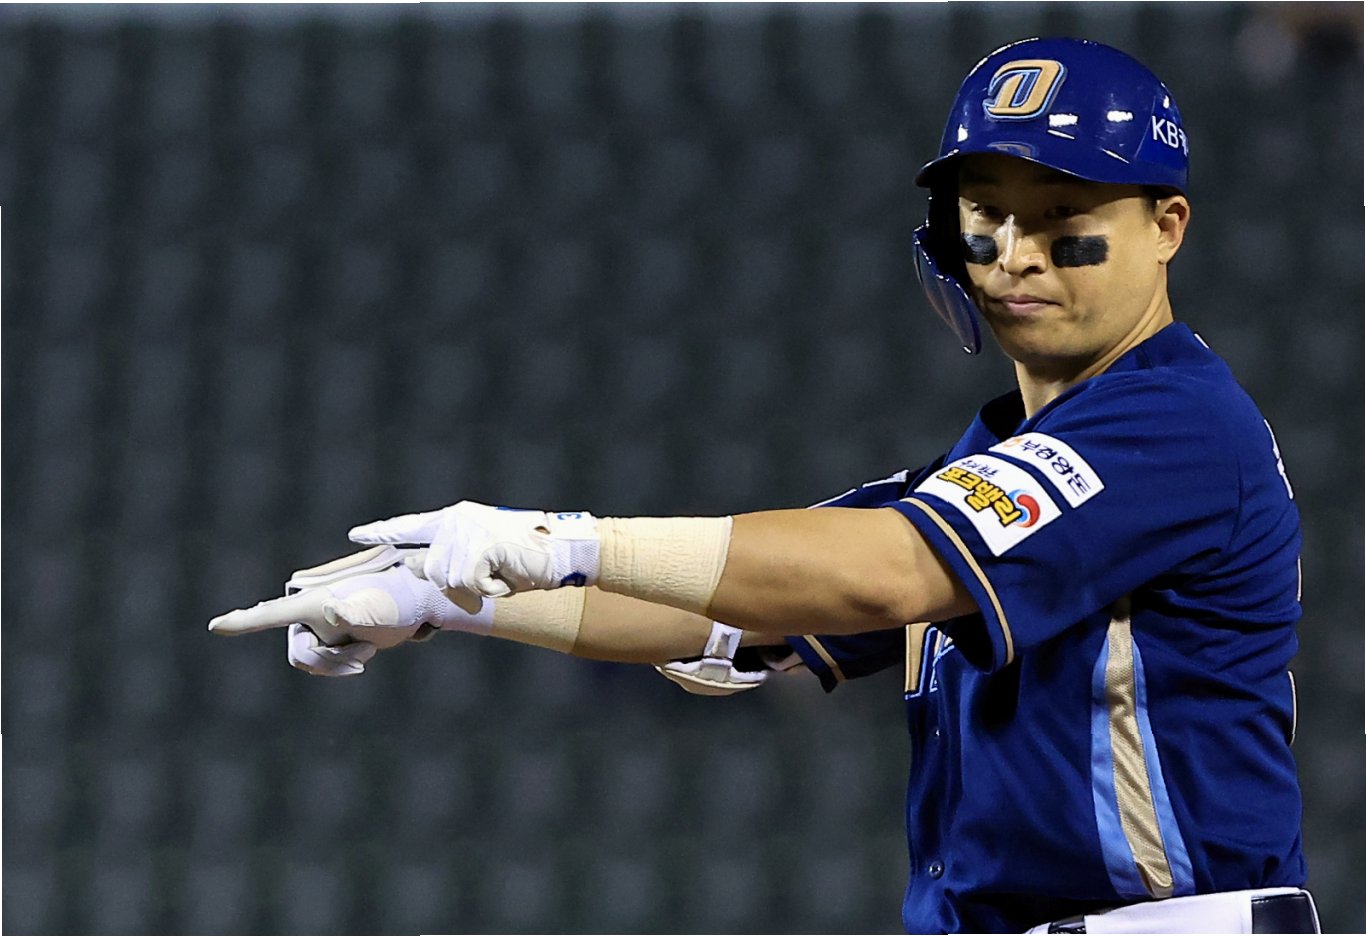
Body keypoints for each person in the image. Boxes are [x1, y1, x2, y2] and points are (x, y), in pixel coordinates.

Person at [210, 37, 1320, 934]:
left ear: (1165, 227)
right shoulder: (981, 470)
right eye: (988, 215)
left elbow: (886, 572)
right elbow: (736, 615)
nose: (1016, 252)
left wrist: (563, 536)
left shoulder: (1175, 424)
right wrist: (445, 597)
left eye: (1065, 215)